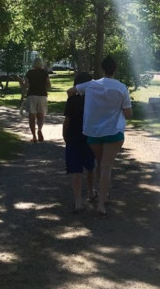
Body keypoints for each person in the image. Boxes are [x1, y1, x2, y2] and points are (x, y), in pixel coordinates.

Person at [67, 55, 131, 216]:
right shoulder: (121, 88)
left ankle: (96, 193)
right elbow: (128, 114)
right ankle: (101, 203)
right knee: (106, 167)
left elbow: (71, 91)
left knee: (99, 163)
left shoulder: (91, 85)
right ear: (115, 69)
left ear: (103, 69)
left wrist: (80, 100)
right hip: (113, 131)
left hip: (93, 132)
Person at [62, 71, 97, 213]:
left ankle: (78, 201)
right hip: (89, 137)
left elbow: (67, 121)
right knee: (90, 167)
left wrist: (65, 136)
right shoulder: (94, 101)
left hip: (73, 137)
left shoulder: (73, 100)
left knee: (76, 170)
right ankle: (90, 192)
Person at [24, 58, 51, 143]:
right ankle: (39, 129)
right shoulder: (45, 73)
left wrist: (21, 82)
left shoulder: (29, 73)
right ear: (41, 64)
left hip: (32, 95)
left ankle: (34, 136)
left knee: (32, 116)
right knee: (41, 115)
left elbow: (26, 85)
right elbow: (49, 85)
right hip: (42, 95)